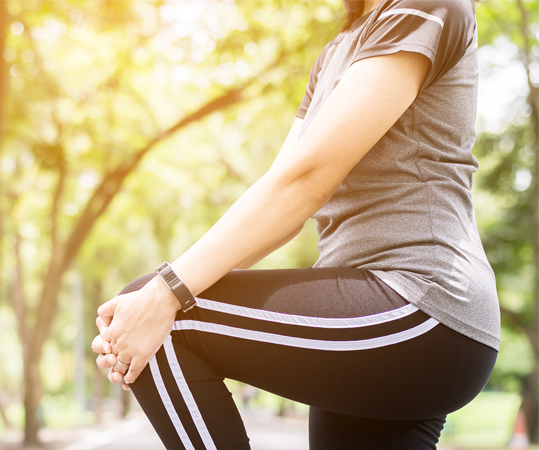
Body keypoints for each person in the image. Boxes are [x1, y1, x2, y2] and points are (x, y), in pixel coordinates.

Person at [90, 0, 499, 448]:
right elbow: (283, 202)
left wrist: (164, 292)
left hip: (422, 304)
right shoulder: (338, 51)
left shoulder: (426, 7)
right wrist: (160, 296)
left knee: (169, 322)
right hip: (370, 321)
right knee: (156, 308)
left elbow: (305, 181)